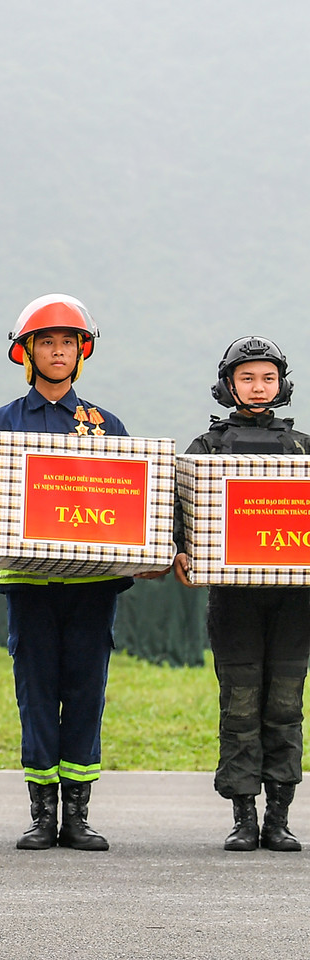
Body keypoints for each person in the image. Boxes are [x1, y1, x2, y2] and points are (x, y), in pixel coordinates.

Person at [0, 295, 129, 852]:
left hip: (92, 587)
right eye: (46, 342)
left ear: (81, 352)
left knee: (86, 692)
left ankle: (78, 815)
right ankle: (41, 813)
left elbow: (131, 504)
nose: (57, 351)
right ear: (27, 352)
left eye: (68, 342)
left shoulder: (107, 425)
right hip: (28, 587)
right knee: (35, 693)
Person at [168, 336, 310, 851]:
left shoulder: (304, 448)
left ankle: (280, 817)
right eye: (247, 377)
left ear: (283, 385)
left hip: (296, 602)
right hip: (233, 601)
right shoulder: (205, 450)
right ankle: (244, 816)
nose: (258, 387)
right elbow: (178, 512)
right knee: (241, 703)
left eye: (268, 378)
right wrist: (181, 550)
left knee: (286, 705)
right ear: (228, 385)